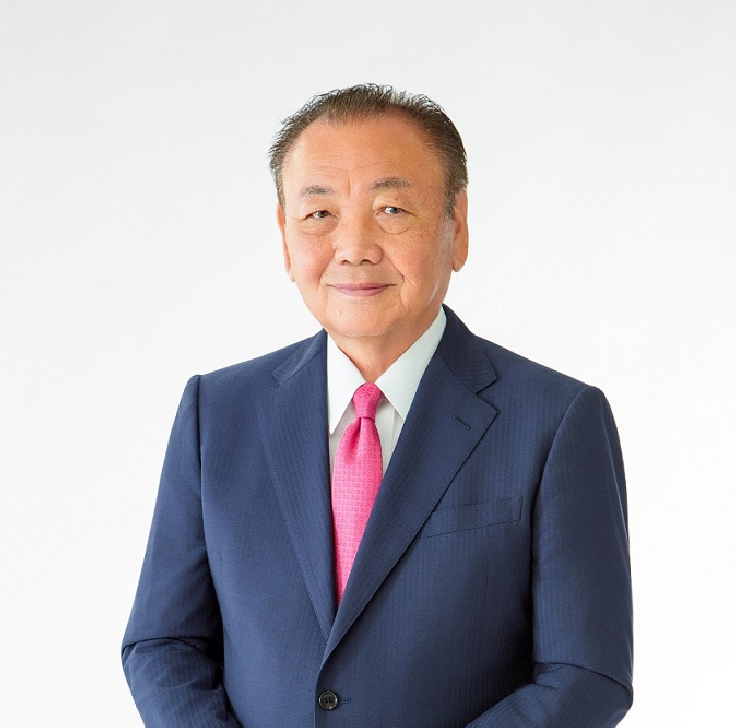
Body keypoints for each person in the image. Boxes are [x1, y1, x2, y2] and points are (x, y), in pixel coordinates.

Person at [122, 83, 633, 728]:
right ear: (285, 238)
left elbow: (586, 674)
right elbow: (163, 644)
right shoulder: (216, 413)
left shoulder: (555, 421)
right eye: (319, 214)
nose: (354, 246)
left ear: (457, 226)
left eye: (391, 209)